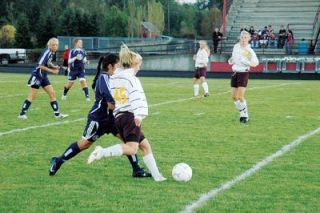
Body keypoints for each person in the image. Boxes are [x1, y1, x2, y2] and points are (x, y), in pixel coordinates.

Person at [49, 53, 151, 178]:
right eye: (118, 65)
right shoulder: (104, 78)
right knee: (84, 144)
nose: (121, 67)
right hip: (99, 119)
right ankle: (58, 161)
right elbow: (111, 104)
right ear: (110, 66)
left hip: (113, 119)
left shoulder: (117, 78)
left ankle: (137, 170)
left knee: (128, 141)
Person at [87, 44, 166, 182]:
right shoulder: (131, 79)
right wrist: (139, 115)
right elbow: (136, 97)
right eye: (139, 65)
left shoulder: (115, 77)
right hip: (130, 116)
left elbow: (114, 96)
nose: (139, 68)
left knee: (145, 146)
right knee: (132, 149)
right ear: (134, 64)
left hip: (119, 117)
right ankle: (102, 152)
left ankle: (157, 176)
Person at [18, 38, 69, 120]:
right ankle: (21, 114)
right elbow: (40, 65)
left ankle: (57, 114)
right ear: (49, 45)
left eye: (56, 45)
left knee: (52, 93)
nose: (55, 46)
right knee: (32, 96)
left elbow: (48, 62)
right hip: (37, 76)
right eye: (53, 45)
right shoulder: (47, 52)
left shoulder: (52, 53)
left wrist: (54, 66)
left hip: (43, 76)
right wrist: (52, 71)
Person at [228, 30, 259, 123]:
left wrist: (246, 62)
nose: (244, 39)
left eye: (246, 37)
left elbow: (255, 63)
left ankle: (244, 115)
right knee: (234, 97)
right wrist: (231, 60)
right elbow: (233, 57)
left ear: (249, 39)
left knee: (240, 96)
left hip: (243, 73)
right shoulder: (236, 47)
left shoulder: (249, 50)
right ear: (240, 38)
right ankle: (242, 111)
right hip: (235, 73)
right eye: (242, 37)